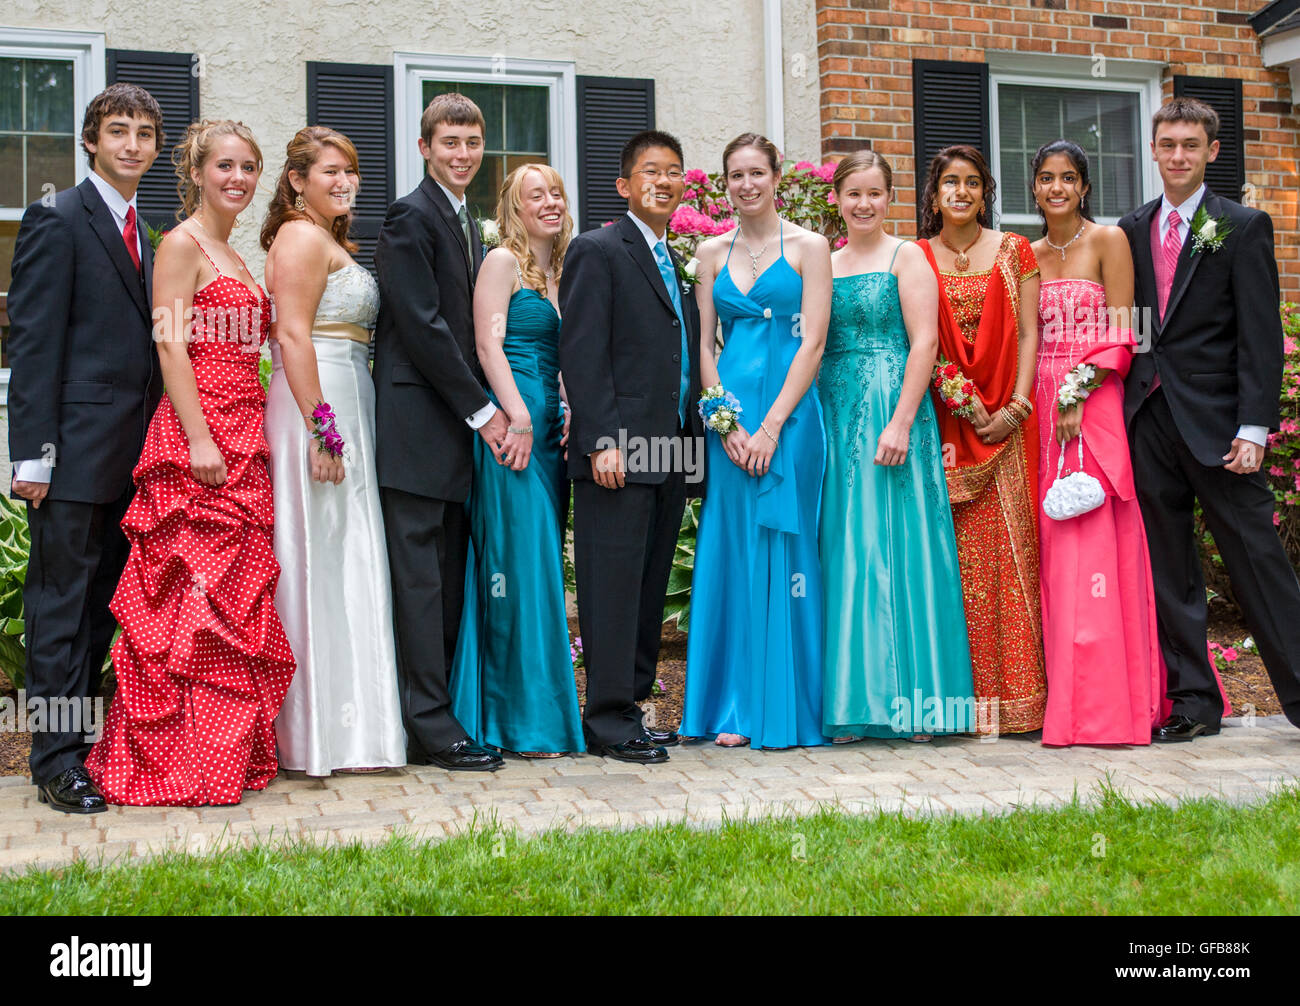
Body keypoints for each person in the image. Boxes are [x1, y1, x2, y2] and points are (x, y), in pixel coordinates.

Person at [84, 120, 295, 806]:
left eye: (249, 168)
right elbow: (171, 346)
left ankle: (220, 759)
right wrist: (200, 439)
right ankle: (170, 764)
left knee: (231, 603)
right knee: (185, 605)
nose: (238, 179)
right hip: (196, 437)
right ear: (198, 172)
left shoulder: (234, 255)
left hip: (246, 434)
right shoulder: (179, 245)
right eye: (225, 166)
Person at [7, 84, 166, 813]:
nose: (131, 144)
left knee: (103, 610)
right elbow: (35, 341)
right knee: (60, 611)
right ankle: (55, 761)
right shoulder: (55, 218)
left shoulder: (149, 233)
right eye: (118, 132)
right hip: (68, 459)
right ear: (91, 140)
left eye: (143, 134)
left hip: (132, 458)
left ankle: (85, 743)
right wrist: (33, 455)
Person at [1121, 97, 1300, 739]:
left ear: (1212, 152)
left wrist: (1255, 427)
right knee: (1171, 571)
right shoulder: (1131, 227)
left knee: (1258, 563)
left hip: (1223, 429)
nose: (1177, 156)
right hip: (1150, 420)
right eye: (1167, 144)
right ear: (1152, 148)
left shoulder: (1241, 226)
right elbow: (1136, 327)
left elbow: (1261, 334)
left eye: (1190, 145)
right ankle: (1195, 702)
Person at [558, 130, 706, 764]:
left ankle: (637, 708)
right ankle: (609, 720)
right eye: (651, 171)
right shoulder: (597, 249)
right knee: (611, 584)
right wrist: (601, 443)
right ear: (624, 185)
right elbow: (582, 353)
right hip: (618, 450)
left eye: (674, 171)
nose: (665, 181)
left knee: (646, 582)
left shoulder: (674, 257)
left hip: (670, 448)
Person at [372, 93, 509, 772]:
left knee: (448, 579)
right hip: (416, 425)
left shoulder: (467, 225)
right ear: (424, 148)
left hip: (449, 433)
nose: (462, 153)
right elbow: (422, 325)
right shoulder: (409, 216)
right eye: (449, 142)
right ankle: (428, 724)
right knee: (421, 585)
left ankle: (440, 719)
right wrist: (482, 411)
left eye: (472, 142)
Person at [679, 132, 830, 749]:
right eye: (735, 176)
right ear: (725, 184)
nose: (746, 185)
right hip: (729, 425)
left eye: (757, 174)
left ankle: (787, 705)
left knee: (788, 553)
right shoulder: (711, 253)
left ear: (776, 179)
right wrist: (727, 425)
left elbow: (814, 342)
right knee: (733, 550)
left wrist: (769, 428)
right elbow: (705, 350)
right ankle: (733, 705)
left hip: (791, 419)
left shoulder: (811, 246)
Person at [262, 127, 405, 775]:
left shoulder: (330, 239)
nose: (345, 182)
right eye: (329, 172)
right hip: (316, 404)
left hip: (352, 397)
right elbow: (292, 336)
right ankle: (315, 735)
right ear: (297, 180)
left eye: (351, 171)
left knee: (346, 550)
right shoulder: (298, 237)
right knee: (318, 554)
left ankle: (356, 730)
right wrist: (322, 428)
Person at [819, 150, 975, 742]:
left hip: (891, 403)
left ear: (890, 198)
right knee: (845, 545)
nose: (863, 204)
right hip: (834, 411)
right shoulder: (823, 262)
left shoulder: (906, 255)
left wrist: (902, 422)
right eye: (852, 193)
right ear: (836, 198)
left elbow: (925, 342)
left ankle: (915, 703)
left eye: (874, 193)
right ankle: (853, 699)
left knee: (897, 545)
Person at [1030, 140, 1162, 746]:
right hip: (1038, 400)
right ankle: (1064, 700)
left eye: (1068, 179)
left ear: (1085, 186)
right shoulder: (1026, 255)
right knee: (1055, 545)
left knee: (1097, 542)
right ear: (1034, 188)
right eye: (1045, 179)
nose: (1056, 188)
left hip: (1094, 396)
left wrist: (1080, 389)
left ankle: (1108, 707)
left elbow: (1126, 331)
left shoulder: (1109, 241)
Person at [449, 165, 584, 757]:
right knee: (515, 564)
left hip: (553, 430)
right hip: (514, 428)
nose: (550, 202)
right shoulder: (502, 262)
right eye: (537, 196)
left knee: (542, 565)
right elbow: (487, 344)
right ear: (514, 208)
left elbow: (569, 353)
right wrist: (517, 416)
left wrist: (569, 401)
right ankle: (512, 719)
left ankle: (541, 716)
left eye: (555, 192)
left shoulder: (562, 269)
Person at [917, 144, 1045, 736]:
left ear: (984, 191)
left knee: (1010, 556)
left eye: (971, 182)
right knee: (956, 559)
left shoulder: (1014, 251)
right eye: (950, 182)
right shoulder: (917, 257)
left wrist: (1015, 408)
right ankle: (962, 705)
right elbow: (919, 344)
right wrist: (959, 401)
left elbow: (1028, 333)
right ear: (934, 193)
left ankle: (1019, 703)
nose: (961, 192)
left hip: (1010, 426)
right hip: (944, 429)